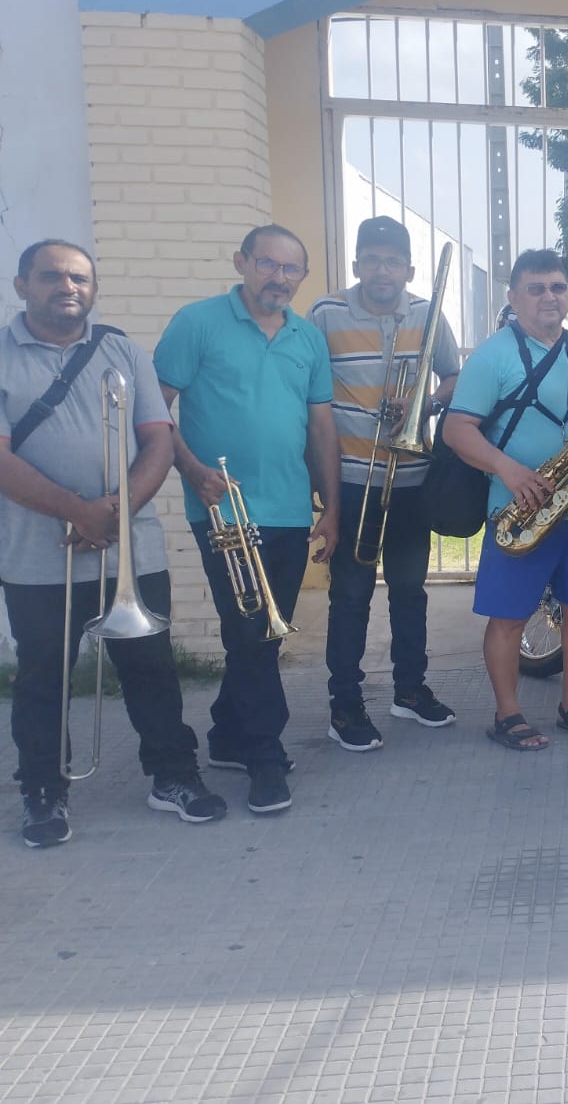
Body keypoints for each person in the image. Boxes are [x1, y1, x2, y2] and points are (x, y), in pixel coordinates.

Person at [1, 241, 226, 847]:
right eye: (51, 277)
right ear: (22, 285)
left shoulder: (123, 350)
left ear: (94, 288)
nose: (67, 287)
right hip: (36, 557)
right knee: (43, 675)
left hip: (130, 549)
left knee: (151, 667)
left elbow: (158, 440)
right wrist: (79, 511)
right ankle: (43, 790)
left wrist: (112, 514)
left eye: (79, 278)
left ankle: (173, 775)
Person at [153, 224, 341, 814]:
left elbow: (321, 428)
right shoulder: (197, 323)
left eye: (291, 269)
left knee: (260, 632)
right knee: (254, 631)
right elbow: (153, 413)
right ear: (242, 262)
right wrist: (192, 471)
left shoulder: (307, 338)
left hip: (290, 508)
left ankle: (227, 734)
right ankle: (264, 756)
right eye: (267, 264)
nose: (278, 278)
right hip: (223, 509)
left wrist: (332, 509)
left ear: (302, 276)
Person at [444, 249, 568, 752]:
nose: (549, 297)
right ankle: (508, 714)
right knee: (509, 616)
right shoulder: (491, 356)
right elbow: (456, 428)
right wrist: (508, 469)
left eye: (558, 287)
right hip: (520, 513)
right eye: (536, 288)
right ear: (513, 297)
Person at [308, 216, 461, 752]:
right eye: (371, 260)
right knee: (350, 594)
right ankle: (345, 705)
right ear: (356, 265)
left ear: (409, 270)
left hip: (412, 478)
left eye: (393, 262)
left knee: (409, 591)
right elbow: (309, 390)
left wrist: (424, 402)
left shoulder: (426, 311)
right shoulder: (325, 313)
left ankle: (410, 690)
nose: (382, 271)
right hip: (351, 478)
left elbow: (452, 375)